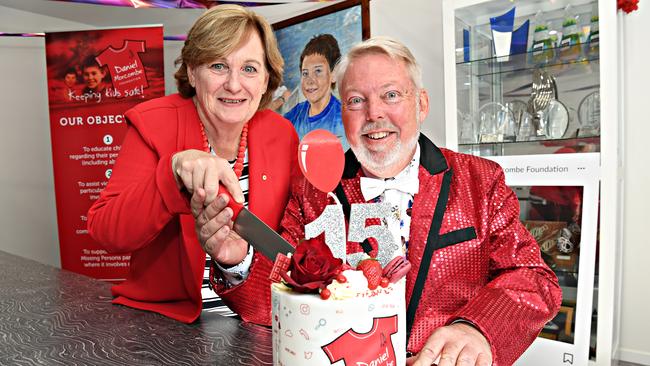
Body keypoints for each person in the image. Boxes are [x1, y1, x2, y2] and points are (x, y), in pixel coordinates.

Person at [197, 36, 562, 365]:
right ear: (343, 113)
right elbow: (282, 294)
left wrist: (476, 329)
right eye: (357, 100)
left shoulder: (480, 180)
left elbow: (533, 278)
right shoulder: (313, 191)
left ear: (420, 103)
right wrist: (237, 261)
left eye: (391, 95)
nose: (374, 114)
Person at [87, 4, 299, 324]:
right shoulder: (152, 123)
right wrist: (171, 173)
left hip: (258, 319)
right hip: (168, 323)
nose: (234, 84)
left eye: (250, 69)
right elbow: (106, 231)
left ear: (267, 78)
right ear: (191, 71)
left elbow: (289, 242)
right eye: (218, 65)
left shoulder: (281, 134)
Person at [284, 34, 349, 151]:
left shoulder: (344, 119)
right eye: (305, 73)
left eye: (318, 71)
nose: (310, 80)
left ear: (334, 74)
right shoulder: (294, 116)